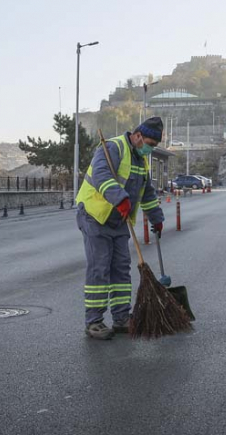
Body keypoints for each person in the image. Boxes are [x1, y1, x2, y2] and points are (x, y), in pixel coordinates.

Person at [75, 116, 166, 340]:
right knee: (100, 268)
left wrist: (156, 217)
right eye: (149, 145)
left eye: (154, 147)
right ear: (137, 136)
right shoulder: (112, 148)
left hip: (119, 220)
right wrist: (121, 198)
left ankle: (121, 318)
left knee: (121, 269)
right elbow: (101, 176)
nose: (150, 150)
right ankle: (94, 322)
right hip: (95, 215)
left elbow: (147, 193)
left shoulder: (141, 161)